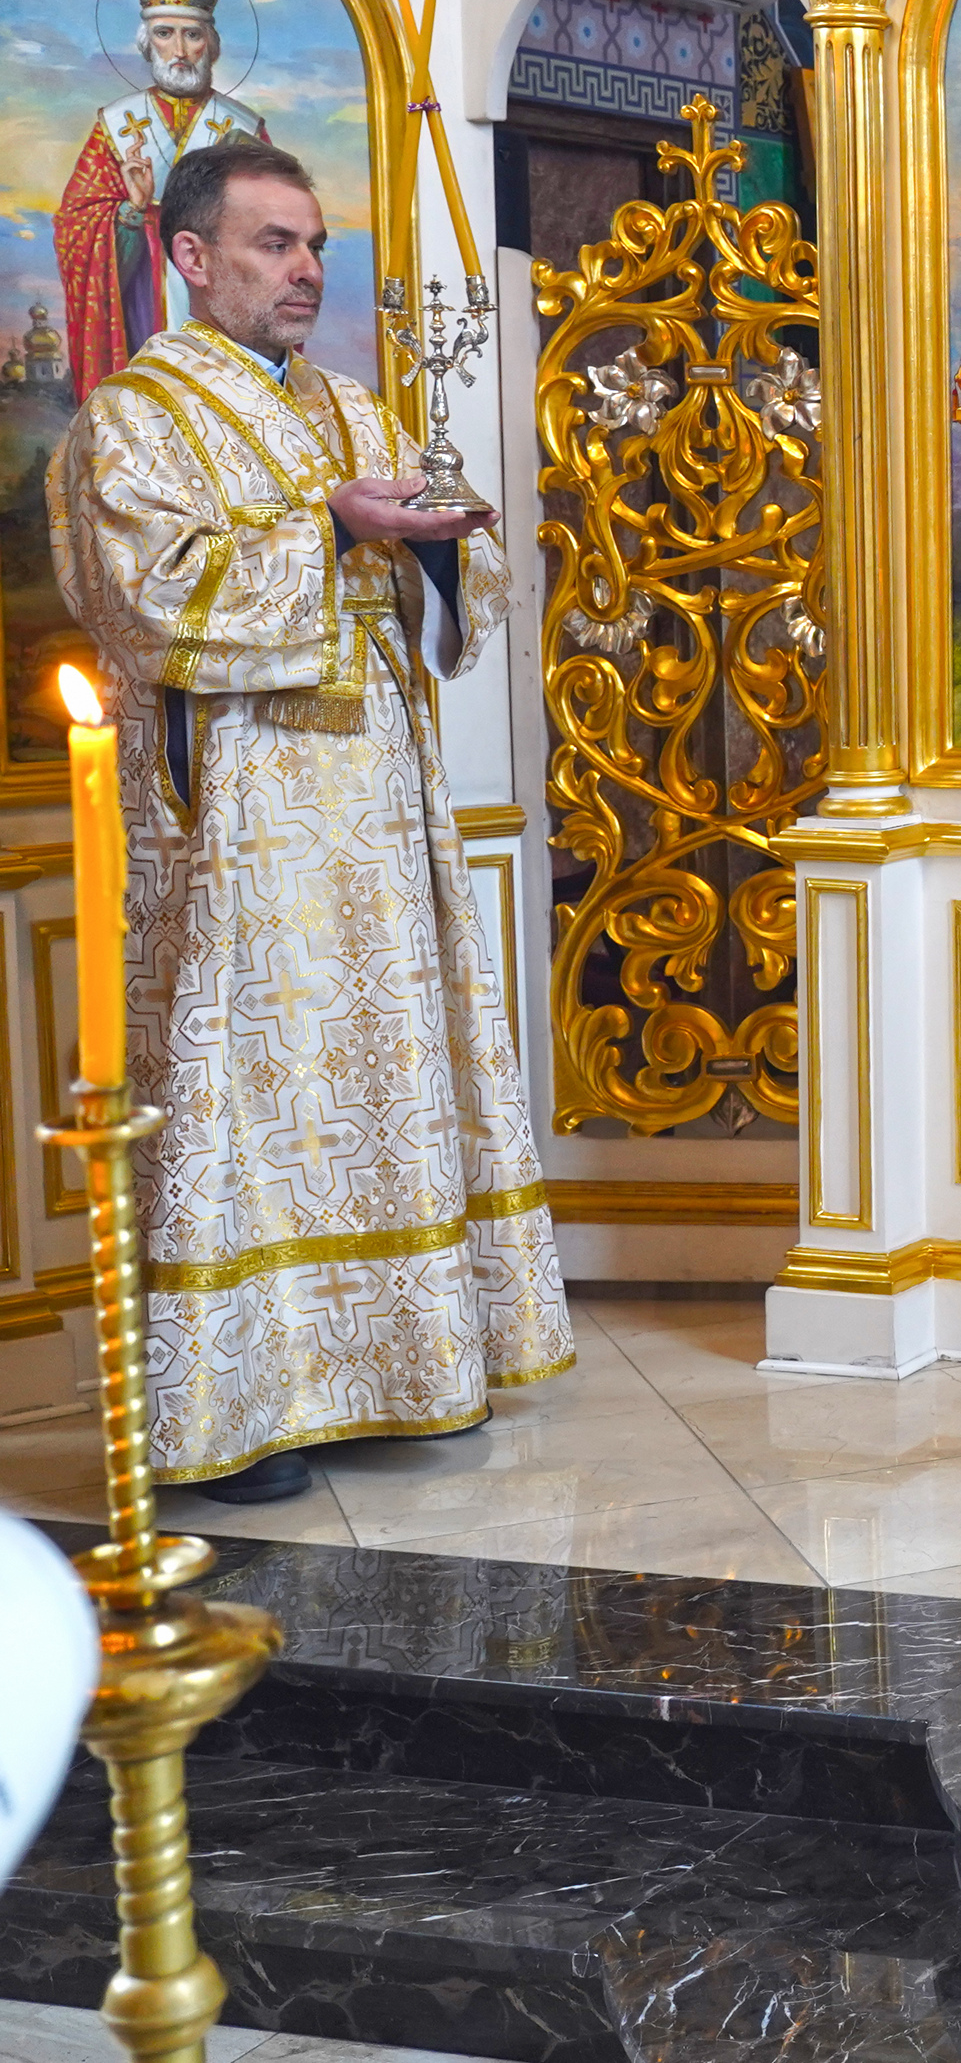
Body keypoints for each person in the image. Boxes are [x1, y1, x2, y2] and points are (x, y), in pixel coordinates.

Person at [47, 141, 568, 1506]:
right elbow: (145, 598)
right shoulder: (132, 417)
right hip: (243, 815)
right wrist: (330, 534)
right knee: (253, 1098)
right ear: (191, 254)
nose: (305, 269)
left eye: (316, 244)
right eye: (274, 243)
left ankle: (397, 1366)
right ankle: (247, 1406)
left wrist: (444, 540)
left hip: (381, 814)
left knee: (382, 1076)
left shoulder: (350, 403)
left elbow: (467, 596)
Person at [56, 0, 273, 397]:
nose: (178, 50)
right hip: (141, 312)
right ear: (146, 44)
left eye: (191, 34)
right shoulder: (116, 125)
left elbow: (275, 229)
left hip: (217, 304)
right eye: (164, 33)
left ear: (210, 45)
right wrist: (130, 214)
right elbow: (75, 226)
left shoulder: (245, 129)